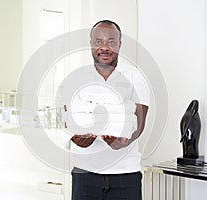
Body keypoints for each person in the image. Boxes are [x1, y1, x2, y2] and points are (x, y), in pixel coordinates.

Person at [60, 19, 149, 200]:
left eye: (111, 42)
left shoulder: (136, 77)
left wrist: (121, 142)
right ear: (91, 43)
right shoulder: (75, 78)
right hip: (85, 173)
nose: (104, 47)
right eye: (99, 42)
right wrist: (77, 139)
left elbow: (139, 125)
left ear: (119, 44)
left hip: (126, 174)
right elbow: (66, 121)